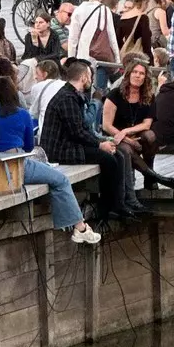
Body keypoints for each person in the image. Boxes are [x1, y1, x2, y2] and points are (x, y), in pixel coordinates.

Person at [0, 66, 101, 244]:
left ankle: (77, 226)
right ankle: (80, 228)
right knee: (61, 180)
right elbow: (28, 147)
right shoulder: (22, 114)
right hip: (16, 165)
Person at [41, 59, 140, 227]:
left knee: (118, 154)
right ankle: (108, 208)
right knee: (108, 158)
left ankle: (120, 202)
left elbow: (81, 129)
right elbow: (77, 132)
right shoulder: (67, 98)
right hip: (60, 149)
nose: (91, 80)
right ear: (84, 77)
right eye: (89, 76)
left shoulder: (71, 95)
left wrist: (102, 140)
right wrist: (100, 145)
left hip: (69, 143)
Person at [103, 58, 159, 179]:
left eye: (141, 73)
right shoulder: (114, 94)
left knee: (150, 136)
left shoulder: (149, 96)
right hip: (116, 137)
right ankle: (153, 176)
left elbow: (146, 124)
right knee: (127, 149)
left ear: (145, 78)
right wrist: (126, 138)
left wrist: (126, 131)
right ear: (128, 74)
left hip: (136, 135)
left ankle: (150, 175)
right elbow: (106, 125)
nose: (138, 76)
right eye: (135, 72)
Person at [68, 0, 121, 78]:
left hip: (82, 57)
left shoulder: (78, 10)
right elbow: (111, 36)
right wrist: (117, 59)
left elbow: (73, 39)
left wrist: (71, 59)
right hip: (100, 57)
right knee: (99, 88)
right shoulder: (105, 10)